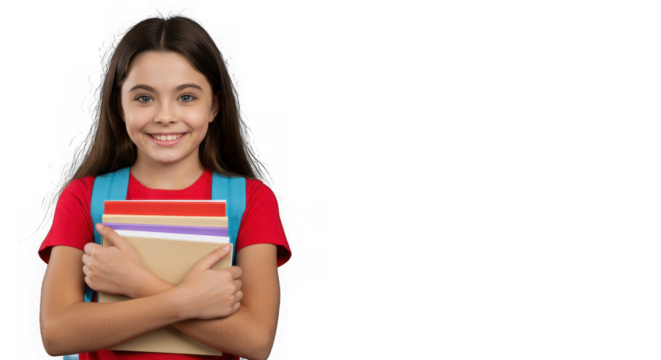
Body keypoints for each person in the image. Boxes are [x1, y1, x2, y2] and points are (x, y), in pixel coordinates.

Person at [37, 14, 291, 360]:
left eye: (186, 97)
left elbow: (256, 341)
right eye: (144, 98)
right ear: (119, 106)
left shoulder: (251, 200)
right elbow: (57, 333)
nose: (165, 116)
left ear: (214, 105)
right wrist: (187, 301)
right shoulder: (84, 198)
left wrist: (137, 283)